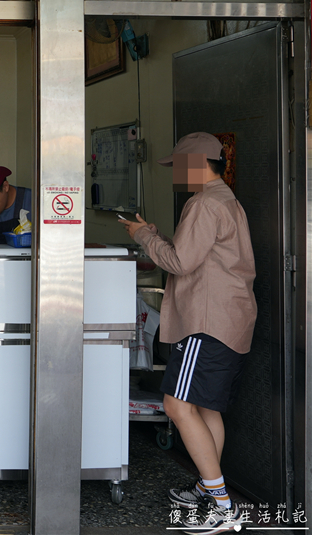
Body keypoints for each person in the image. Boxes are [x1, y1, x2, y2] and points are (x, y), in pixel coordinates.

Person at [121, 132, 255, 534]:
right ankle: (207, 486)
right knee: (205, 407)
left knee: (178, 406)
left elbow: (180, 262)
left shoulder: (203, 203)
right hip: (229, 320)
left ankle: (223, 508)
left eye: (178, 165)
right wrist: (155, 235)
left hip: (205, 322)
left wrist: (144, 237)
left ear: (196, 164)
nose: (176, 174)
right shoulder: (227, 200)